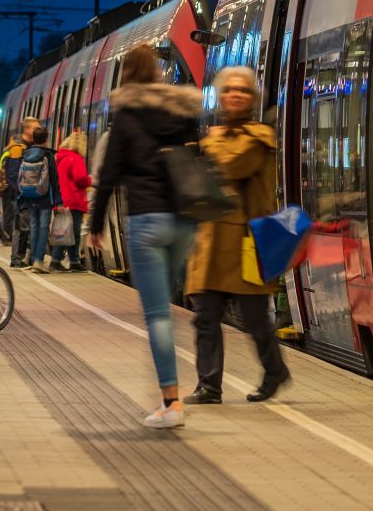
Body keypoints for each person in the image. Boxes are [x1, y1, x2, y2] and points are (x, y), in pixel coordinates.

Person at [87, 43, 202, 429]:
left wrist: (94, 224)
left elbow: (109, 176)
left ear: (125, 75)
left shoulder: (127, 115)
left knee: (158, 318)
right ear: (157, 71)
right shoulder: (181, 111)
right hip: (182, 222)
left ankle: (171, 402)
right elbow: (195, 158)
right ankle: (171, 399)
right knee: (169, 312)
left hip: (146, 222)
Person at [185, 66, 290, 404]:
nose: (235, 94)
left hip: (244, 243)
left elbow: (231, 166)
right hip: (212, 241)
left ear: (252, 98)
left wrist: (208, 147)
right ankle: (209, 386)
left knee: (256, 319)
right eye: (229, 89)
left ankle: (274, 371)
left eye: (242, 90)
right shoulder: (218, 136)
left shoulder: (258, 138)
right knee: (205, 316)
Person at [5, 126, 62, 270]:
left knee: (34, 226)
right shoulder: (47, 155)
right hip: (45, 197)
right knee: (44, 228)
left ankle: (31, 261)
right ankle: (38, 260)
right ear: (46, 139)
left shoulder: (26, 153)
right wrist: (59, 200)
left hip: (29, 196)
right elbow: (54, 179)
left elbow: (20, 176)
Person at [49, 130, 92, 272]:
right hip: (73, 200)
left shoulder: (61, 158)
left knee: (65, 232)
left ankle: (73, 262)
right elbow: (80, 179)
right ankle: (56, 262)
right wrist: (90, 180)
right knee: (71, 233)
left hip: (62, 199)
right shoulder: (76, 159)